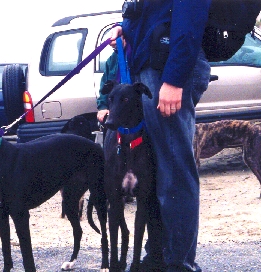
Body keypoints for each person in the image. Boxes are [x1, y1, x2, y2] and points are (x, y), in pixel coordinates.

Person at [110, 1, 212, 271]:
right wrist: (126, 31)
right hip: (151, 65)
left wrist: (175, 79)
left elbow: (190, 16)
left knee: (174, 172)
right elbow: (150, 13)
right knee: (156, 170)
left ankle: (179, 264)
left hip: (165, 70)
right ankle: (158, 255)